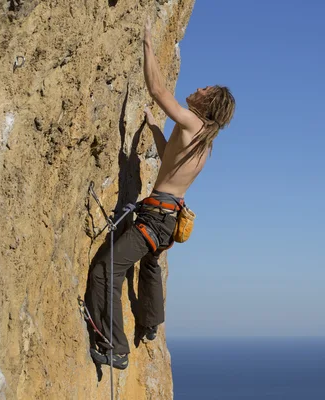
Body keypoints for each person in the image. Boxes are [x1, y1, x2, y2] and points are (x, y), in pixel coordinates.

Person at [87, 15, 236, 370]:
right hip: (167, 220)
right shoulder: (203, 140)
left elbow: (157, 91)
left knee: (106, 271)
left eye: (204, 90)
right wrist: (153, 128)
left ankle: (115, 347)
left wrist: (148, 46)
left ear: (207, 103)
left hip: (156, 219)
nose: (197, 88)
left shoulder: (193, 122)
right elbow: (171, 156)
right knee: (150, 265)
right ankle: (150, 323)